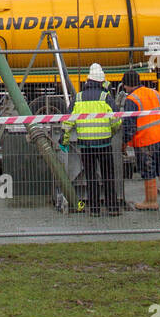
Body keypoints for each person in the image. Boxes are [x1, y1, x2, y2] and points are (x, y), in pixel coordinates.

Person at [61, 63, 122, 217]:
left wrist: (65, 140)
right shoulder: (105, 97)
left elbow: (68, 122)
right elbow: (116, 121)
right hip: (104, 143)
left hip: (85, 144)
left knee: (91, 177)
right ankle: (113, 208)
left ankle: (94, 209)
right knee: (108, 176)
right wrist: (111, 132)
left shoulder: (78, 97)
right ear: (101, 82)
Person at [120, 68, 160, 210]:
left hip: (146, 140)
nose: (124, 88)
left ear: (127, 84)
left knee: (148, 170)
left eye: (124, 85)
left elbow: (129, 126)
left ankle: (151, 201)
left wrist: (123, 144)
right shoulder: (155, 93)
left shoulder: (132, 99)